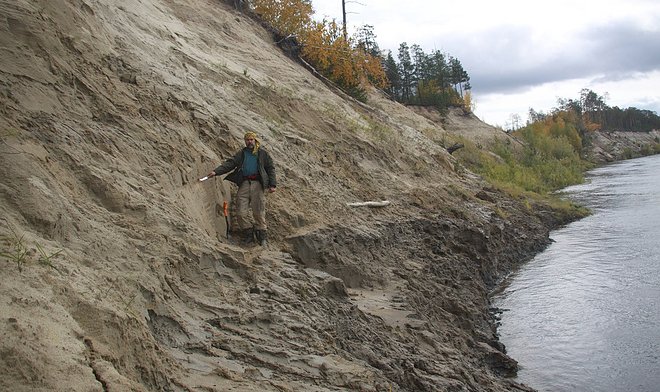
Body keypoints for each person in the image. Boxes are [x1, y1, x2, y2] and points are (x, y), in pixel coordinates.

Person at [207, 131, 276, 245]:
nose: (249, 142)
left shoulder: (263, 154)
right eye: (247, 140)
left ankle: (262, 236)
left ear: (255, 140)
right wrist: (216, 172)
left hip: (258, 184)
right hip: (244, 183)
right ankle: (248, 233)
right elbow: (230, 164)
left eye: (251, 139)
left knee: (258, 211)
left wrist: (272, 185)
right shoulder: (242, 154)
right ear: (245, 141)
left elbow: (270, 169)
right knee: (240, 212)